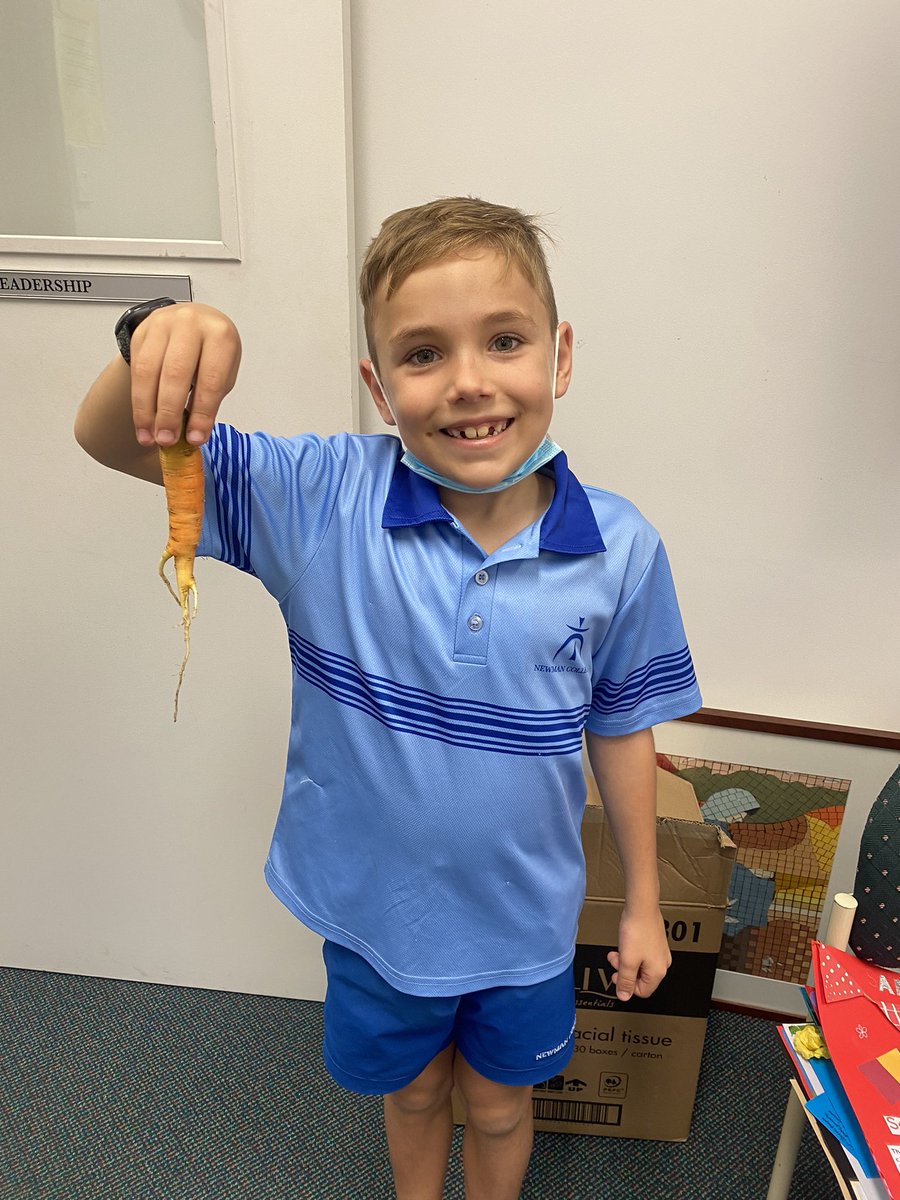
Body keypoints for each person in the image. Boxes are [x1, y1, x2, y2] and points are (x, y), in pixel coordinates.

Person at [74, 196, 702, 1200]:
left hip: (525, 926)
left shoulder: (620, 550)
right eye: (421, 354)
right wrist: (155, 331)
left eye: (504, 340)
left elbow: (622, 726)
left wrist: (641, 904)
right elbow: (111, 441)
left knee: (498, 1107)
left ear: (560, 356)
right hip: (376, 916)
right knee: (412, 1099)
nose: (468, 383)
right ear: (377, 383)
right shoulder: (320, 501)